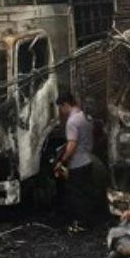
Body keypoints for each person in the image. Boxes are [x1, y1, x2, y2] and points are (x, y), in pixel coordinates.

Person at [54, 92, 96, 233]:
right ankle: (88, 222)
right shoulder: (85, 117)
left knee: (77, 195)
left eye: (61, 108)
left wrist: (62, 160)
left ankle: (80, 224)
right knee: (86, 193)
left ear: (65, 105)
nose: (61, 112)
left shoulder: (72, 122)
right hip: (88, 160)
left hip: (77, 163)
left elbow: (72, 144)